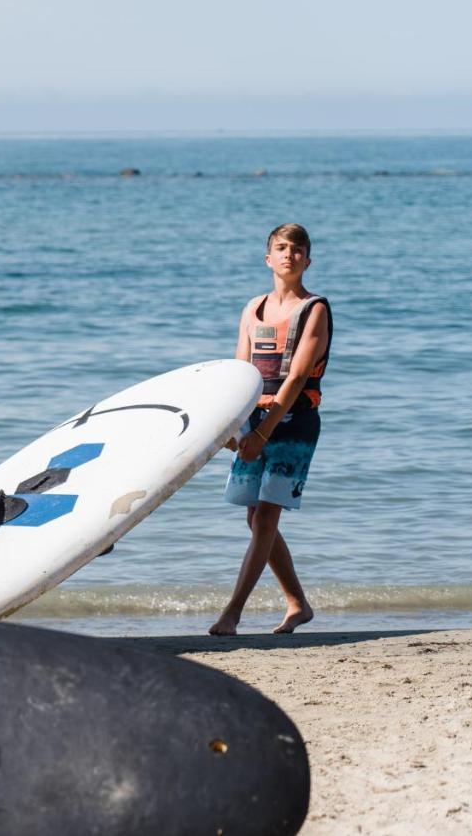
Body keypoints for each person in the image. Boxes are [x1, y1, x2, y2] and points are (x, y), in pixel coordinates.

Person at [210, 223, 332, 636]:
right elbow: (240, 373)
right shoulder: (253, 309)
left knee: (265, 519)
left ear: (307, 261)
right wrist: (233, 427)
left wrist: (262, 434)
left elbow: (296, 378)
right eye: (281, 248)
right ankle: (298, 604)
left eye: (298, 249)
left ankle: (232, 613)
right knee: (254, 518)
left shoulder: (314, 309)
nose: (289, 254)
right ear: (268, 258)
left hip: (294, 423)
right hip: (255, 421)